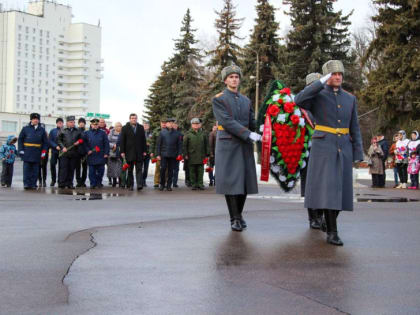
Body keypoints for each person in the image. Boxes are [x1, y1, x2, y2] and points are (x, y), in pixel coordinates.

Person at [294, 60, 364, 246]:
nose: (338, 77)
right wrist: (319, 83)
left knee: (342, 190)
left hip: (344, 147)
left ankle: (327, 220)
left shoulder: (350, 98)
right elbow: (298, 100)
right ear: (327, 77)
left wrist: (358, 152)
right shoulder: (318, 95)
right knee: (328, 189)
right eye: (333, 74)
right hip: (324, 147)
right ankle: (333, 232)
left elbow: (354, 127)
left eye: (340, 74)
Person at [212, 64, 260, 232]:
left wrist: (264, 128)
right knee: (232, 182)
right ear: (225, 80)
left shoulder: (246, 100)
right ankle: (234, 218)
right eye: (231, 77)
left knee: (244, 182)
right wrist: (248, 134)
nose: (234, 79)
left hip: (243, 145)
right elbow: (226, 121)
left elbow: (252, 121)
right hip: (228, 143)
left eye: (237, 77)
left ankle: (238, 215)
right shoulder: (219, 99)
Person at [301, 73, 323, 230]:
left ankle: (321, 215)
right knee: (311, 186)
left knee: (324, 185)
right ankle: (313, 217)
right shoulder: (301, 106)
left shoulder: (325, 103)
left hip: (324, 150)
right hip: (307, 152)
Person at [18, 113, 49, 190]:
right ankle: (26, 184)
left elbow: (45, 142)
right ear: (31, 119)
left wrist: (44, 151)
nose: (36, 120)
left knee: (35, 170)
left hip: (37, 152)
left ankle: (33, 184)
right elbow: (20, 139)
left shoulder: (42, 130)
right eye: (34, 119)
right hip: (27, 152)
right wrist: (21, 150)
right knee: (27, 169)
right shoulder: (25, 128)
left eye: (37, 119)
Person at [119, 113, 147, 191]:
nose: (134, 119)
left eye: (135, 118)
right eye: (132, 118)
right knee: (130, 170)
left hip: (139, 152)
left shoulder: (141, 127)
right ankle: (130, 185)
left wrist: (144, 150)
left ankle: (139, 185)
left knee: (139, 169)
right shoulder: (125, 128)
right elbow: (122, 141)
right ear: (130, 119)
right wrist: (122, 151)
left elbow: (143, 140)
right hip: (129, 152)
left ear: (137, 119)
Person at [156, 118, 182, 191]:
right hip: (163, 154)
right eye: (169, 123)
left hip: (173, 154)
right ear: (166, 124)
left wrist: (179, 153)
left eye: (172, 123)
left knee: (171, 170)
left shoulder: (177, 133)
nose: (171, 124)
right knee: (163, 169)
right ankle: (162, 184)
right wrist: (158, 154)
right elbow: (158, 144)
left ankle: (169, 185)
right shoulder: (162, 132)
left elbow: (179, 145)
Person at [57, 116, 83, 189]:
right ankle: (62, 183)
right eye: (71, 122)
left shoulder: (77, 130)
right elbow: (59, 140)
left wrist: (79, 142)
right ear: (67, 122)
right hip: (65, 153)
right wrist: (63, 147)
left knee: (71, 169)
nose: (73, 123)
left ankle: (69, 183)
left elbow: (82, 139)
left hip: (74, 153)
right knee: (64, 169)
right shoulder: (62, 130)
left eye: (74, 122)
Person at [183, 118, 209, 190]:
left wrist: (208, 154)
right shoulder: (188, 134)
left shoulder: (203, 134)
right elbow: (184, 146)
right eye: (194, 124)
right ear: (191, 125)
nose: (196, 125)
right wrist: (185, 154)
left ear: (199, 125)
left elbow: (207, 145)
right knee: (192, 171)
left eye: (197, 124)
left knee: (201, 170)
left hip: (201, 155)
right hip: (191, 155)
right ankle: (194, 184)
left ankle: (200, 184)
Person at [83, 118, 110, 189]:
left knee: (101, 171)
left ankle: (99, 182)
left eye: (96, 124)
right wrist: (87, 150)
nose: (95, 126)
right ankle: (93, 183)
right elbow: (84, 144)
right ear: (91, 125)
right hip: (91, 155)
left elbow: (106, 144)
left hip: (101, 155)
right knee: (91, 171)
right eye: (94, 124)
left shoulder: (103, 133)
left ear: (98, 125)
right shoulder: (87, 133)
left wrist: (106, 153)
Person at [150, 119, 166, 188]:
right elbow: (152, 142)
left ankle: (164, 182)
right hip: (158, 152)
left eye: (165, 123)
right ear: (160, 123)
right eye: (162, 123)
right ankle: (156, 182)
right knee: (158, 167)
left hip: (166, 152)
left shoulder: (169, 131)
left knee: (166, 168)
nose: (164, 124)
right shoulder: (156, 131)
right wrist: (151, 151)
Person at [48, 118, 63, 187]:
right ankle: (53, 180)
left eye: (61, 123)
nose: (60, 124)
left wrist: (62, 147)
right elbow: (50, 141)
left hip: (62, 152)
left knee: (61, 167)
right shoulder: (53, 131)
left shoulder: (65, 131)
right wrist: (55, 146)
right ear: (56, 123)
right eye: (59, 123)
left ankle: (60, 180)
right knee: (52, 165)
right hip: (54, 151)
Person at [107, 122, 123, 187]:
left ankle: (120, 181)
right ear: (115, 127)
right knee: (113, 168)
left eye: (120, 126)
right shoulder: (111, 133)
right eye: (118, 126)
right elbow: (107, 142)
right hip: (112, 152)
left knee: (120, 167)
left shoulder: (123, 133)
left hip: (120, 152)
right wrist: (113, 145)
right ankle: (113, 181)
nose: (119, 127)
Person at [75, 118, 88, 187]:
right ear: (78, 123)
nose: (82, 123)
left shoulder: (86, 132)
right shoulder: (76, 131)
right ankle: (78, 181)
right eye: (80, 122)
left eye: (83, 122)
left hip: (85, 152)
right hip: (77, 152)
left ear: (85, 124)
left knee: (85, 167)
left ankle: (83, 181)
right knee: (77, 167)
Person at [172, 120, 183, 188]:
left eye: (176, 125)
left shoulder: (180, 134)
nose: (175, 126)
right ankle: (168, 181)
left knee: (176, 169)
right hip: (170, 153)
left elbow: (181, 145)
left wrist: (180, 153)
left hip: (177, 154)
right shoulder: (168, 133)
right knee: (169, 169)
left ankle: (174, 182)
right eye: (174, 125)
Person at [37, 123, 49, 188]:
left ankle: (44, 181)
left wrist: (45, 151)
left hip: (44, 153)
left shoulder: (46, 135)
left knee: (44, 167)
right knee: (38, 167)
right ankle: (39, 181)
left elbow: (48, 144)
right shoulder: (37, 134)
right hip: (37, 153)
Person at [142, 120, 152, 187]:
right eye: (144, 125)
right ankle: (140, 181)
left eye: (147, 125)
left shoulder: (151, 133)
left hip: (148, 153)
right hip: (141, 153)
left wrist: (150, 144)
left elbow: (153, 142)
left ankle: (144, 180)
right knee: (140, 168)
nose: (146, 126)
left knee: (146, 168)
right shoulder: (140, 133)